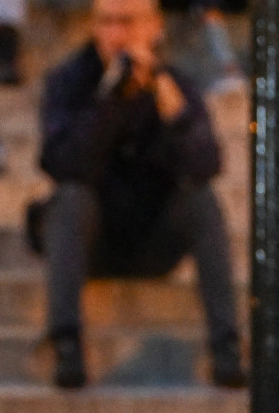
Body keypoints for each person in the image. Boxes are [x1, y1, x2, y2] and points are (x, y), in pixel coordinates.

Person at [34, 0, 245, 391]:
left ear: (154, 27)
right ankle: (65, 344)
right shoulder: (70, 80)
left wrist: (173, 111)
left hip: (153, 235)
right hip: (93, 236)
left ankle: (227, 348)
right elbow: (62, 164)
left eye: (128, 23)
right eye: (107, 23)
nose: (118, 34)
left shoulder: (175, 83)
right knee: (68, 200)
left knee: (202, 202)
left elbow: (205, 166)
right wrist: (111, 100)